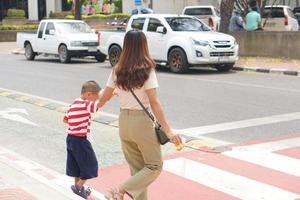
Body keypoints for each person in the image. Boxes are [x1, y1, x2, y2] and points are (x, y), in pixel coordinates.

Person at [99, 30, 182, 200]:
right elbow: (154, 102)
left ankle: (123, 191)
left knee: (138, 170)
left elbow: (103, 97)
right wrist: (168, 130)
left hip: (123, 122)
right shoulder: (146, 69)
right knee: (154, 166)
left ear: (126, 46)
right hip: (141, 123)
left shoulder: (117, 70)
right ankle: (119, 190)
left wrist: (85, 106)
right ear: (144, 45)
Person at [63, 80, 102, 199]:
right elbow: (96, 107)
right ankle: (79, 187)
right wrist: (108, 94)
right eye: (95, 98)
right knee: (91, 164)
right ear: (89, 94)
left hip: (70, 138)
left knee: (77, 165)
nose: (94, 101)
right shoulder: (85, 104)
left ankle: (78, 188)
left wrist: (76, 121)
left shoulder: (74, 103)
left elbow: (65, 119)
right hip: (80, 140)